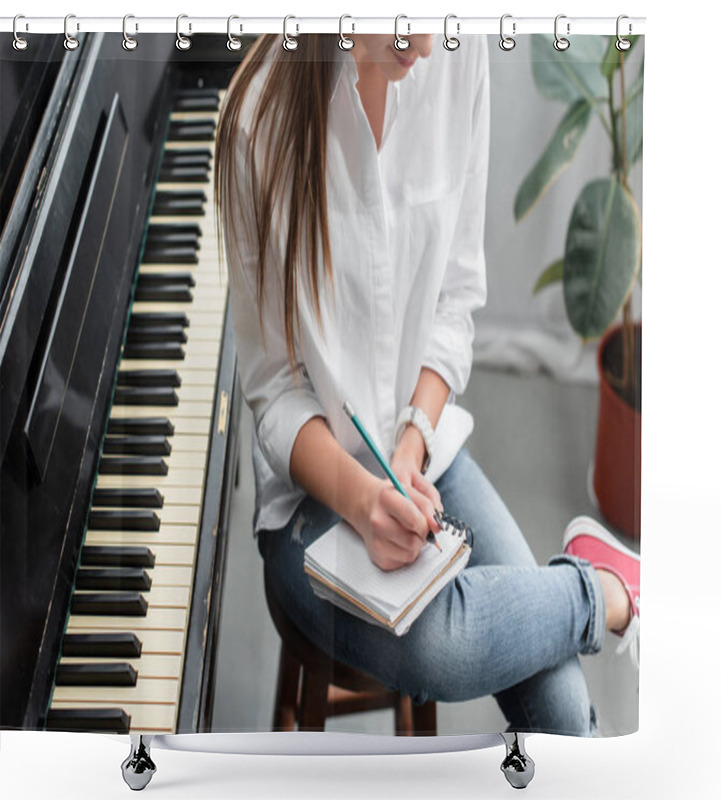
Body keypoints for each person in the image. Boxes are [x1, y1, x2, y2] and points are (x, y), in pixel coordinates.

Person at [215, 31, 640, 736]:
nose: (424, 43)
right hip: (310, 504)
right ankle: (611, 589)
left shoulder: (457, 52)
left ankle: (601, 588)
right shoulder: (255, 121)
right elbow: (271, 388)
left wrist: (409, 449)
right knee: (440, 646)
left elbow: (456, 300)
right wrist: (360, 498)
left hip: (424, 453)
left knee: (563, 715)